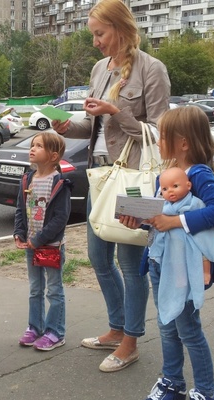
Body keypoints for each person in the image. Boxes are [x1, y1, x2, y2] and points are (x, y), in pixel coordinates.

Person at [51, 0, 172, 373]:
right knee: (99, 258)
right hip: (101, 175)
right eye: (93, 35)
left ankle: (131, 340)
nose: (95, 43)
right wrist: (67, 127)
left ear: (120, 30)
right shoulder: (100, 69)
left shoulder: (153, 70)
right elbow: (97, 128)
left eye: (99, 34)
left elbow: (160, 133)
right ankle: (117, 328)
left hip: (135, 180)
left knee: (130, 261)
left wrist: (115, 111)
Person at [121, 105, 214, 400]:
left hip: (184, 267)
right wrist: (140, 220)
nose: (157, 141)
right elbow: (161, 219)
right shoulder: (167, 175)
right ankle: (173, 384)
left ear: (183, 143)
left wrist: (175, 221)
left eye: (163, 136)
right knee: (167, 326)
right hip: (160, 261)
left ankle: (208, 397)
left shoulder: (198, 173)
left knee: (188, 329)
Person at [13, 131, 73, 352]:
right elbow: (20, 209)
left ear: (53, 156)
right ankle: (34, 327)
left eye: (39, 146)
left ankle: (55, 332)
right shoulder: (27, 179)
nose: (32, 149)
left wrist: (39, 239)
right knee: (35, 289)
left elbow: (60, 219)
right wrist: (19, 233)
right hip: (31, 245)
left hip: (50, 246)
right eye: (32, 145)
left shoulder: (60, 183)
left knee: (54, 290)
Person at [150, 166, 214, 286]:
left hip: (193, 236)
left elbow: (211, 215)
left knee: (204, 251)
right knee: (176, 261)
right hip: (173, 242)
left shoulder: (195, 202)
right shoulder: (163, 205)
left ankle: (206, 272)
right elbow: (154, 220)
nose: (170, 191)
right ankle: (180, 280)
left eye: (175, 186)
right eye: (165, 189)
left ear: (188, 186)